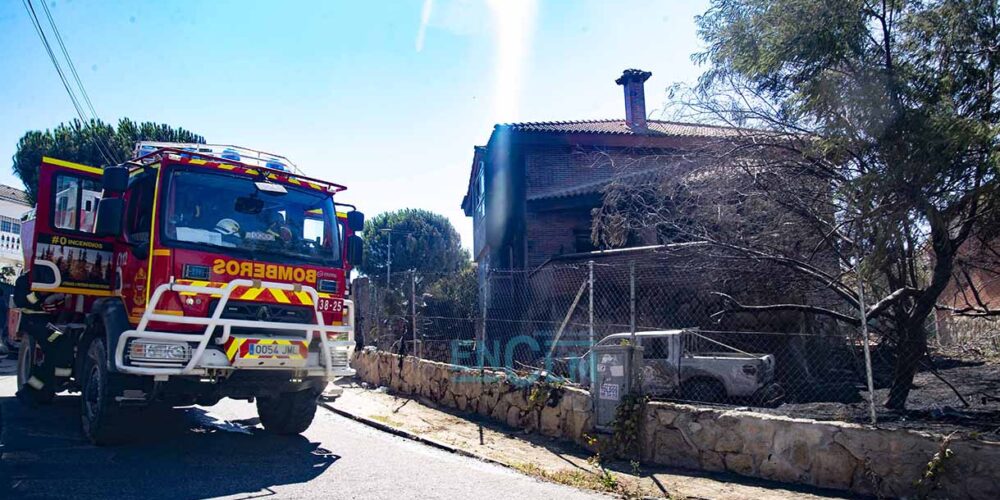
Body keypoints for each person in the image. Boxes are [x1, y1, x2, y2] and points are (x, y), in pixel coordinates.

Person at [12, 274, 72, 404]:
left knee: (53, 354)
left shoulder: (57, 278)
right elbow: (22, 301)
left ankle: (36, 389)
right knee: (58, 341)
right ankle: (36, 388)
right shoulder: (25, 280)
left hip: (48, 323)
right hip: (34, 321)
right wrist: (40, 295)